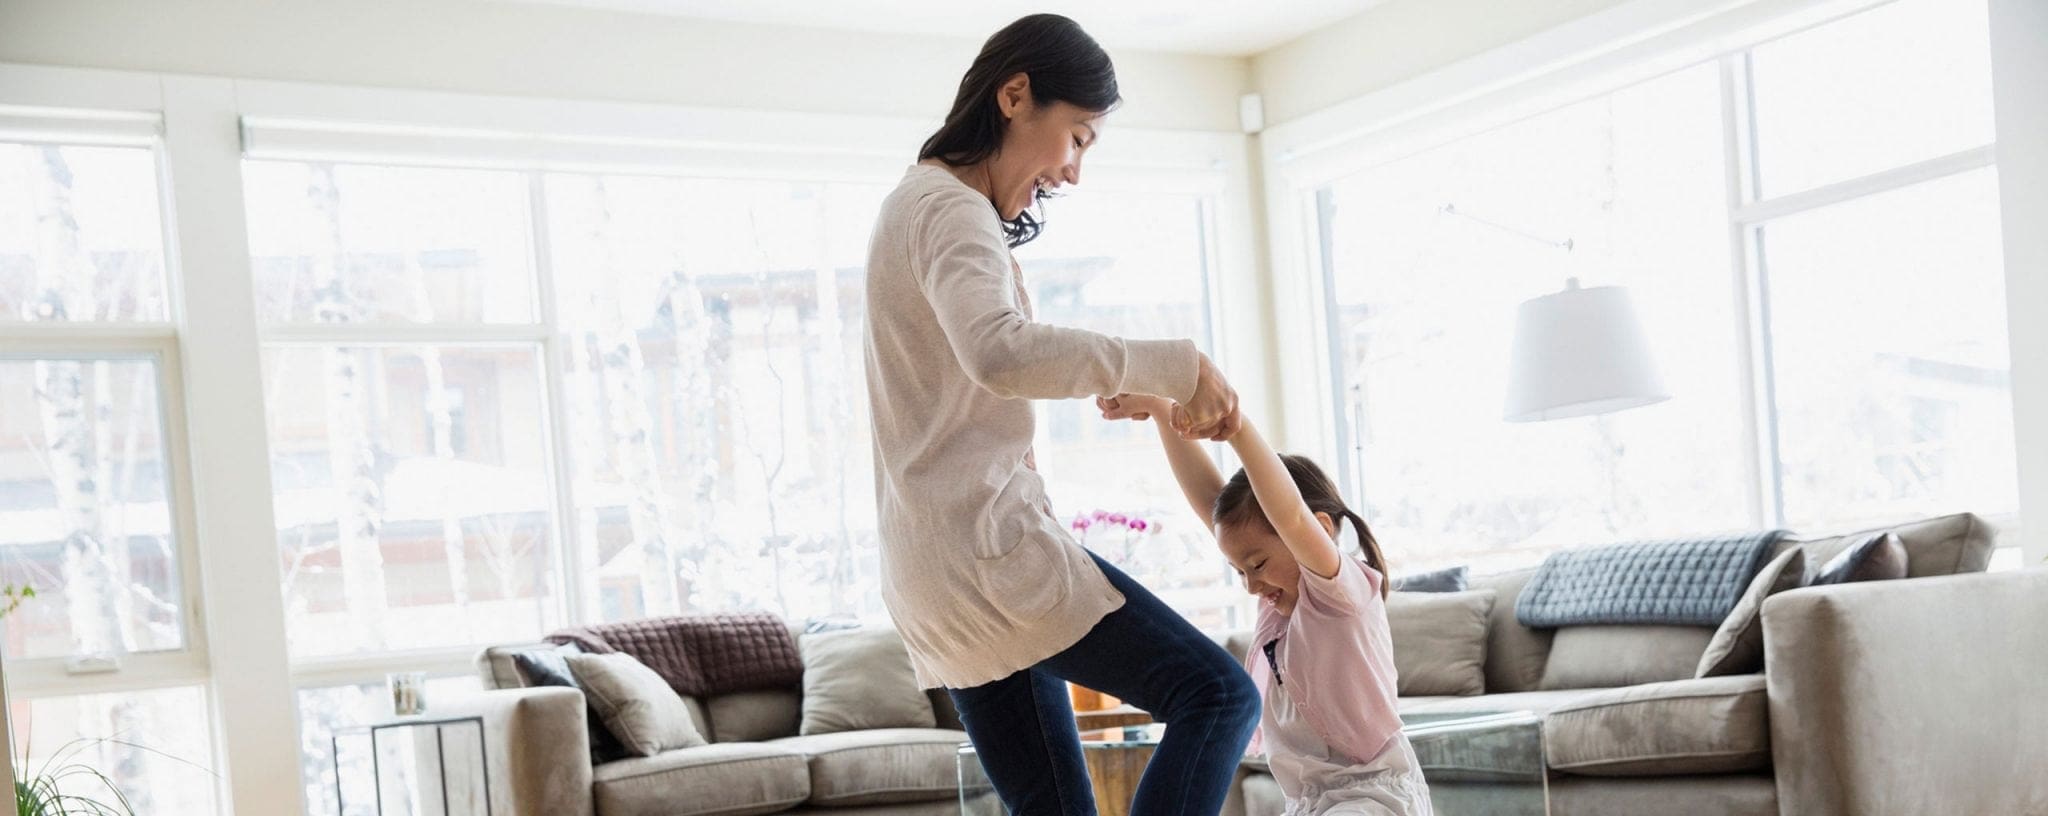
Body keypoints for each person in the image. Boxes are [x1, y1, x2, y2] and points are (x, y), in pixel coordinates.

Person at [862, 13, 1259, 815]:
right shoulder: (950, 209)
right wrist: (1175, 366)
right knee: (1218, 697)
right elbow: (1002, 353)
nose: (1073, 172)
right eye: (1076, 137)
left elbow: (977, 377)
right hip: (987, 556)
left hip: (933, 572)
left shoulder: (918, 204)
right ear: (1016, 96)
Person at [1098, 393, 1434, 816]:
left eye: (1257, 565)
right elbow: (1212, 503)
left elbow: (1291, 515)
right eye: (1240, 571)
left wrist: (1235, 429)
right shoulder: (1278, 603)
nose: (1251, 585)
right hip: (1308, 802)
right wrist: (1166, 416)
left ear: (1320, 530)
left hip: (1372, 795)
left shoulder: (1339, 593)